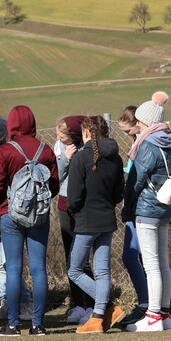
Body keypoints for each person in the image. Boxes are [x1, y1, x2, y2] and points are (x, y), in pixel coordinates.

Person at [0, 105, 59, 337]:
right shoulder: (46, 150)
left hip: (11, 215)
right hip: (39, 216)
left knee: (14, 268)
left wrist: (6, 202)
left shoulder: (6, 150)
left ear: (11, 125)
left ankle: (13, 324)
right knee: (39, 269)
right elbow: (55, 184)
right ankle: (38, 325)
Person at [123, 92, 171, 332]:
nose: (138, 124)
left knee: (151, 263)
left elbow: (135, 181)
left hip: (146, 209)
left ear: (146, 120)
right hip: (165, 207)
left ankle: (153, 316)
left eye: (140, 119)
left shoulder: (148, 144)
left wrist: (127, 206)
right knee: (162, 262)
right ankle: (164, 313)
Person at [66, 116, 126, 333]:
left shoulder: (81, 158)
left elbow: (73, 197)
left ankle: (104, 308)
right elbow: (119, 193)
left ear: (86, 133)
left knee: (74, 270)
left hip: (85, 221)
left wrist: (75, 212)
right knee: (102, 272)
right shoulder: (116, 158)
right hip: (107, 220)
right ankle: (103, 313)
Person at [0, 118, 33, 322]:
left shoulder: (9, 155)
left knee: (10, 263)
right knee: (0, 264)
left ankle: (25, 301)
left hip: (7, 215)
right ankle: (6, 302)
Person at [54, 115, 96, 324]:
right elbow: (57, 177)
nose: (59, 140)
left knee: (83, 257)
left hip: (84, 207)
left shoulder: (89, 147)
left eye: (63, 137)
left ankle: (91, 304)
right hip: (64, 205)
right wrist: (66, 159)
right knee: (70, 255)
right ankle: (78, 304)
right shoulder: (60, 147)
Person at [116, 106, 150, 326]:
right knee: (137, 257)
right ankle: (148, 302)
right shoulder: (136, 144)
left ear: (139, 124)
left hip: (138, 209)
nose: (126, 135)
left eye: (128, 131)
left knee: (132, 257)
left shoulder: (143, 146)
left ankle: (146, 304)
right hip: (133, 208)